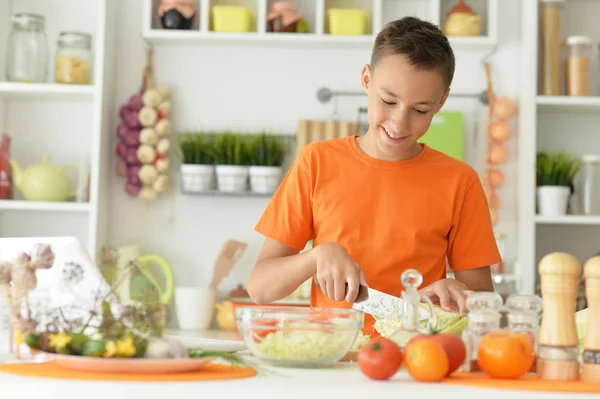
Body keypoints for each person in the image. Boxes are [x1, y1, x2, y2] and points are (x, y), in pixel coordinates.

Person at [247, 16, 501, 336]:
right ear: (367, 80)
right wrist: (316, 257)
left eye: (420, 110)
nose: (398, 123)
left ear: (442, 101)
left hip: (418, 360)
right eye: (388, 101)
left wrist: (454, 294)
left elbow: (484, 308)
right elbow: (260, 288)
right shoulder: (317, 162)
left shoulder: (460, 182)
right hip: (334, 360)